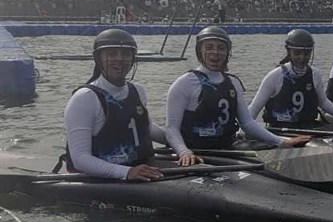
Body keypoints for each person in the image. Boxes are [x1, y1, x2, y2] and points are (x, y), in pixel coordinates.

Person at [165, 26, 309, 167]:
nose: (215, 53)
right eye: (209, 47)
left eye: (221, 48)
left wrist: (281, 142)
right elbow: (171, 128)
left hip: (228, 147)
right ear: (199, 51)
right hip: (197, 152)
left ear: (228, 52)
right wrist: (184, 152)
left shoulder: (233, 82)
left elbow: (247, 123)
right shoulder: (184, 83)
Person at [62, 29, 165, 181]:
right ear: (98, 59)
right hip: (100, 179)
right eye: (111, 54)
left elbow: (144, 127)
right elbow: (80, 159)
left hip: (139, 167)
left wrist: (180, 142)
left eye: (125, 54)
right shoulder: (85, 98)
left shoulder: (138, 90)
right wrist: (126, 172)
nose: (119, 59)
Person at [249, 29, 333, 128]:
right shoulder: (275, 76)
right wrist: (241, 132)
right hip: (280, 129)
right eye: (297, 53)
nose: (302, 58)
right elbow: (254, 109)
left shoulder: (315, 74)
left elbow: (323, 102)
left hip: (308, 127)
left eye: (306, 54)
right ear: (288, 52)